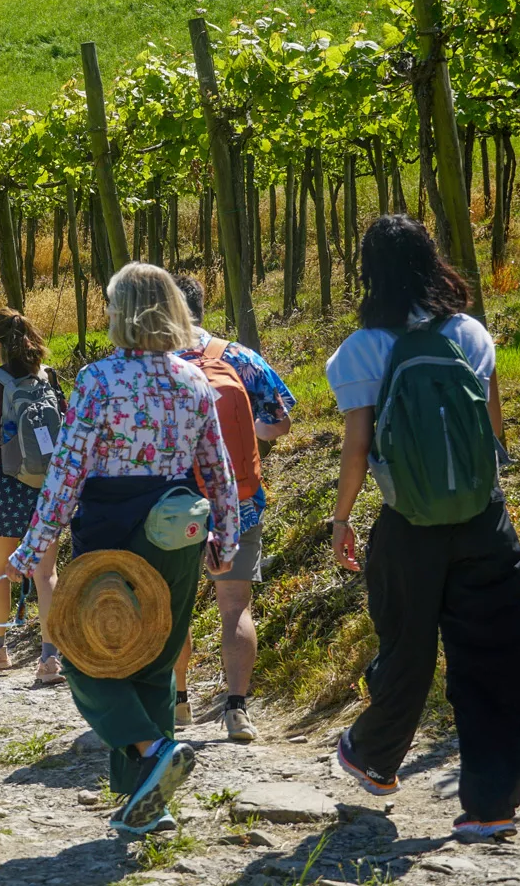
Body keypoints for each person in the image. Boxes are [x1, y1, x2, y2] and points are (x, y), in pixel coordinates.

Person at [5, 262, 239, 835]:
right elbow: (218, 467)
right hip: (179, 531)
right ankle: (145, 802)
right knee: (154, 659)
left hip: (112, 530)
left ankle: (153, 751)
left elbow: (66, 469)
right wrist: (226, 538)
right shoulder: (194, 381)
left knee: (86, 653)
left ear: (122, 314)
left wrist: (35, 546)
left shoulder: (99, 380)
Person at [325, 214, 520, 842]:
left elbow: (358, 447)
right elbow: (493, 431)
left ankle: (375, 758)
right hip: (481, 518)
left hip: (407, 525)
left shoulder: (362, 349)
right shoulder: (470, 331)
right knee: (495, 657)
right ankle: (491, 807)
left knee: (406, 648)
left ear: (370, 273)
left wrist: (341, 520)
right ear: (432, 260)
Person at [169, 275, 296, 742]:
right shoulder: (237, 356)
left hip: (172, 505)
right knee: (235, 606)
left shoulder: (151, 364)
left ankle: (177, 702)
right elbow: (279, 420)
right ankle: (237, 710)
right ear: (202, 307)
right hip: (238, 502)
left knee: (173, 606)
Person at [0, 308, 68, 685]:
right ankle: (50, 660)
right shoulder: (49, 377)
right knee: (47, 573)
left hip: (5, 486)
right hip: (48, 488)